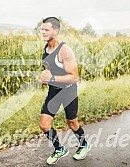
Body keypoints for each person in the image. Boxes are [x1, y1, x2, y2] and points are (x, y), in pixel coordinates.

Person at [40, 17, 91, 165]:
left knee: (72, 124)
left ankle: (84, 145)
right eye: (42, 29)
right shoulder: (46, 48)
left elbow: (74, 77)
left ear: (56, 31)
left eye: (46, 29)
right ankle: (59, 149)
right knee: (44, 124)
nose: (43, 32)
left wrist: (52, 78)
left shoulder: (64, 50)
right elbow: (49, 69)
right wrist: (45, 78)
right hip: (54, 91)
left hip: (68, 92)